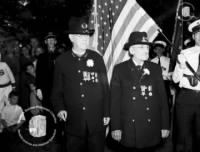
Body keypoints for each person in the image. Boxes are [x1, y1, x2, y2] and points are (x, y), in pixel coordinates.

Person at [51, 16, 110, 152]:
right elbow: (56, 91)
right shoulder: (61, 61)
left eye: (87, 36)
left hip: (96, 120)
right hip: (73, 121)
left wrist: (107, 112)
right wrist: (60, 108)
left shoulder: (97, 58)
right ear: (71, 38)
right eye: (80, 36)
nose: (85, 39)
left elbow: (105, 88)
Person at [110, 31, 170, 152]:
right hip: (129, 126)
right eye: (141, 47)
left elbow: (162, 100)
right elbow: (115, 101)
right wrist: (115, 127)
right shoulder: (120, 69)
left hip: (151, 124)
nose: (146, 50)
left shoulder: (155, 68)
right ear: (132, 51)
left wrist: (165, 125)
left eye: (147, 47)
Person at [172, 18, 200, 152]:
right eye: (198, 33)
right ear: (193, 36)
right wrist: (180, 67)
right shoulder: (184, 53)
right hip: (187, 97)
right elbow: (175, 79)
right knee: (184, 135)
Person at [35, 32, 58, 110]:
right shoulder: (41, 57)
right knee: (47, 111)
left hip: (58, 88)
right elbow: (38, 74)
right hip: (46, 89)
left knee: (59, 111)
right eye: (49, 39)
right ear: (46, 42)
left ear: (55, 42)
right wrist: (38, 88)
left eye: (52, 39)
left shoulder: (61, 56)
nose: (51, 41)